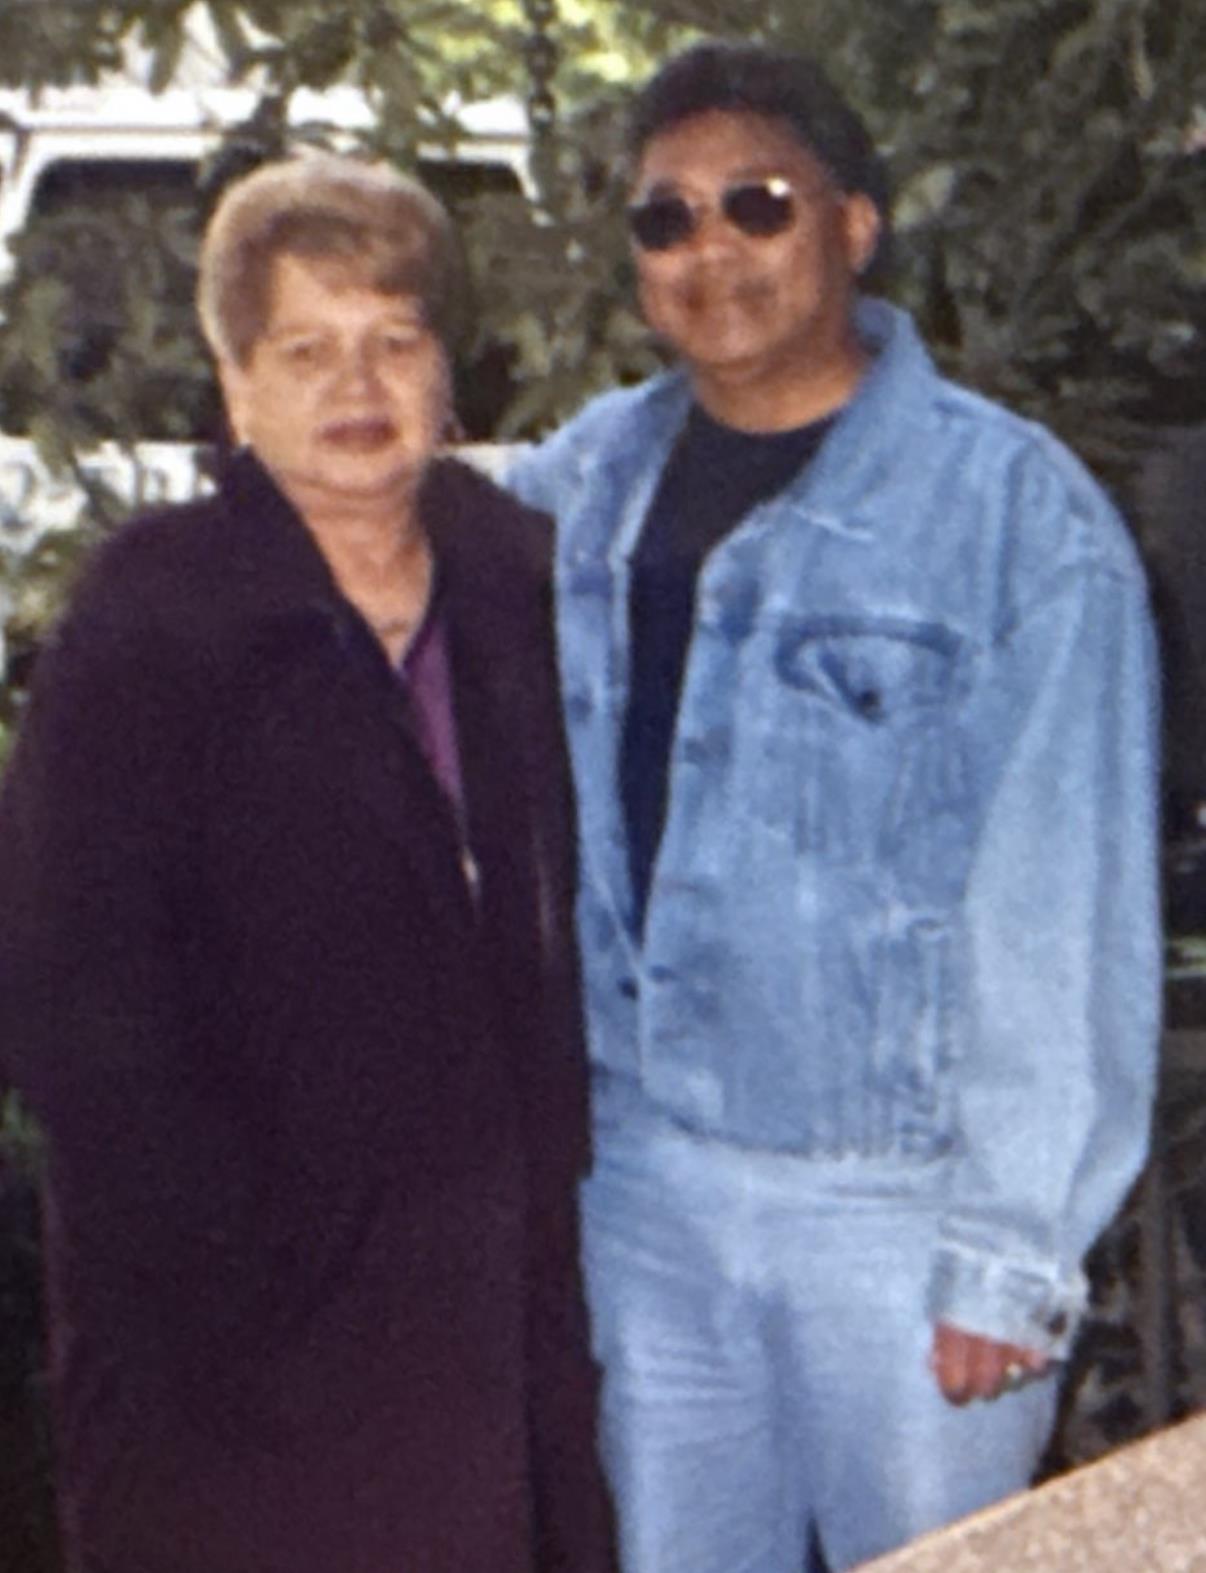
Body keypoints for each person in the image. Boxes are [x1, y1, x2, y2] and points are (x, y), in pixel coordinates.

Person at [509, 40, 1161, 1573]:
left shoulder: (1016, 520)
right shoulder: (571, 494)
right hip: (646, 1201)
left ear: (853, 227)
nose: (708, 249)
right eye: (664, 219)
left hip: (896, 1214)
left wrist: (1004, 1256)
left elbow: (1058, 908)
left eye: (756, 202)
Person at [0, 152, 614, 1573]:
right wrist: (226, 1272)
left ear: (444, 372)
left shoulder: (517, 580)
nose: (357, 387)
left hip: (489, 1315)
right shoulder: (149, 619)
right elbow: (67, 995)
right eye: (307, 349)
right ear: (239, 388)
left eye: (393, 342)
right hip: (236, 1329)